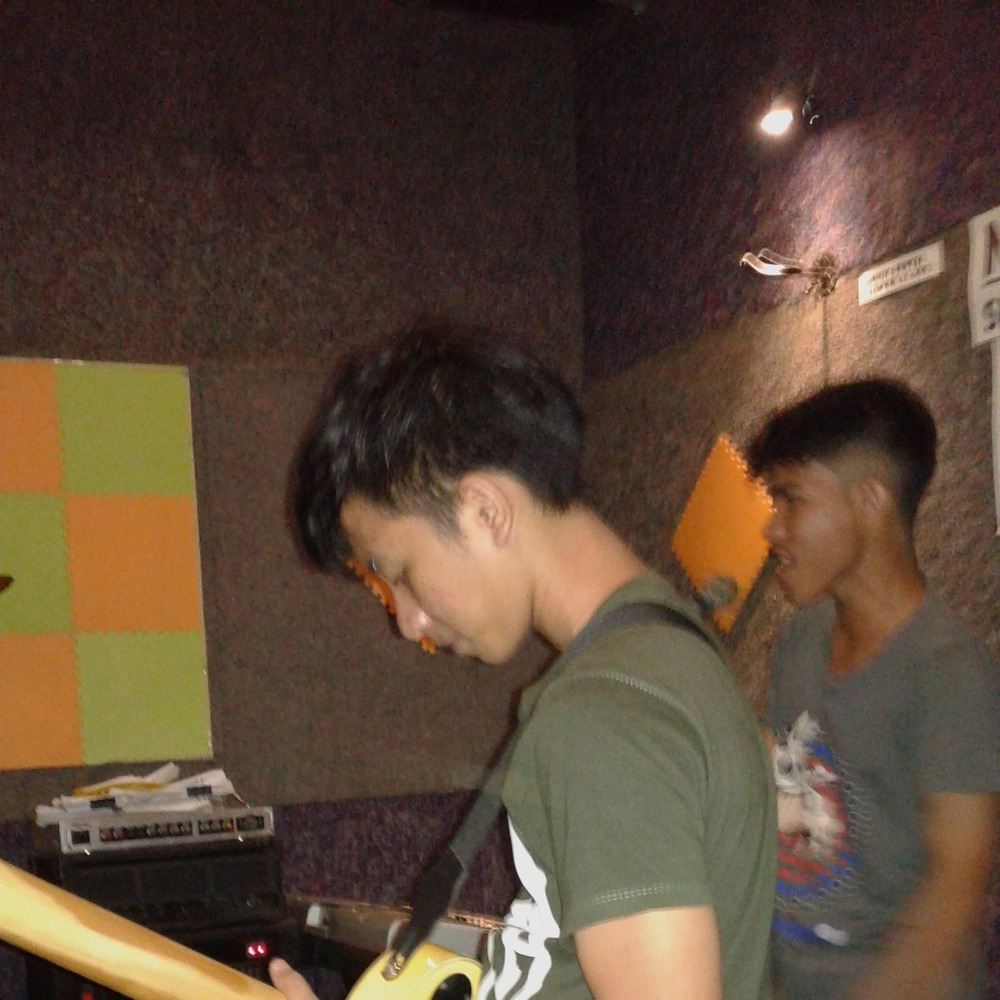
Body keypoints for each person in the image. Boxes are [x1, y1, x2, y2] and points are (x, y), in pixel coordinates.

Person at [270, 323, 776, 1000]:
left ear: (484, 510)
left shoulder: (603, 719)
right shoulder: (662, 657)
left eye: (400, 573)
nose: (407, 621)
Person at [745, 378, 1000, 1000]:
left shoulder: (949, 673)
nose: (772, 530)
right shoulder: (802, 638)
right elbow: (788, 781)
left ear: (870, 500)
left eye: (791, 500)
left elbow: (952, 899)